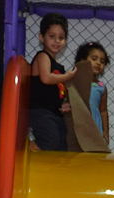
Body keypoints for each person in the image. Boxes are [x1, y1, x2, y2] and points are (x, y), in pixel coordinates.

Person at [29, 13, 76, 151]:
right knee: (50, 141)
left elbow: (54, 92)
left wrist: (62, 105)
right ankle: (26, 149)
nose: (56, 41)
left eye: (61, 37)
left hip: (54, 112)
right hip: (40, 111)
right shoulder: (43, 56)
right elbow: (46, 78)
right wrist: (67, 77)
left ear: (66, 40)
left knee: (62, 144)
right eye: (52, 36)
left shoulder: (59, 67)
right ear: (41, 37)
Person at [76, 41, 110, 145]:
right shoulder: (74, 81)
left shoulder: (101, 87)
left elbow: (103, 111)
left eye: (102, 61)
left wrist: (105, 131)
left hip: (94, 126)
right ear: (82, 60)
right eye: (94, 59)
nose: (98, 63)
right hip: (78, 124)